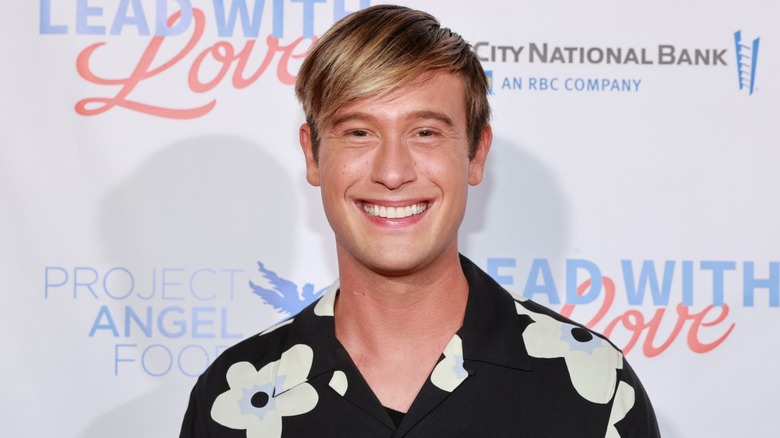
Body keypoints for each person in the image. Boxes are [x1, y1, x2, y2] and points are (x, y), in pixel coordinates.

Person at [180, 5, 660, 437]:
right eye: (359, 132)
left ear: (476, 153)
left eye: (426, 132)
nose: (392, 172)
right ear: (312, 154)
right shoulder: (233, 400)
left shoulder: (593, 386)